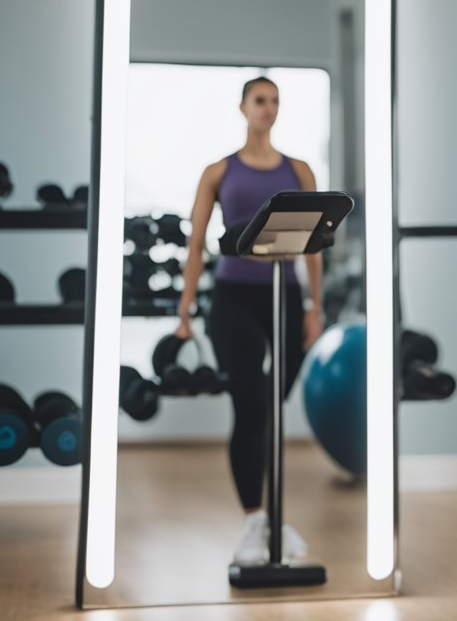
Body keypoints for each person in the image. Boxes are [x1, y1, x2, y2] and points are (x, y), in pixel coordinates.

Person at [176, 75, 326, 566]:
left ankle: (274, 518)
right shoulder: (218, 172)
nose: (268, 108)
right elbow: (196, 244)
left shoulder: (299, 170)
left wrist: (314, 308)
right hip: (233, 299)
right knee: (250, 405)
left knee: (272, 410)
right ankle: (254, 518)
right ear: (243, 108)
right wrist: (184, 311)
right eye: (260, 100)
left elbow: (314, 248)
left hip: (283, 299)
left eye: (275, 101)